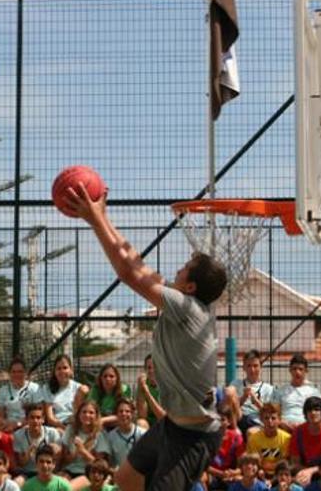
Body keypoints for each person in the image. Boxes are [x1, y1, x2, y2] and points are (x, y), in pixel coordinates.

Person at [66, 186, 229, 491]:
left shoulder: (187, 307)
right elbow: (135, 263)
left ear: (191, 286)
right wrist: (102, 216)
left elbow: (129, 272)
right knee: (126, 479)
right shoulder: (187, 304)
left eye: (183, 269)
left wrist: (94, 221)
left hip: (194, 437)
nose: (176, 270)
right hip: (174, 425)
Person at [60, 400, 110, 485]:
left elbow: (100, 465)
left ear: (96, 416)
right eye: (84, 412)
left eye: (91, 413)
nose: (87, 415)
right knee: (57, 486)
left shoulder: (100, 434)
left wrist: (83, 451)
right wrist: (75, 453)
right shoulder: (70, 429)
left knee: (68, 488)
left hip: (88, 472)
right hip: (69, 470)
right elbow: (65, 458)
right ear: (79, 414)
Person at [272, 355, 321, 434]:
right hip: (284, 427)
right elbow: (273, 412)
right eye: (294, 369)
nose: (297, 372)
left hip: (306, 426)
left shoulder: (314, 392)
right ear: (290, 370)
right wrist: (282, 423)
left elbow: (320, 413)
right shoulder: (280, 391)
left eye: (300, 369)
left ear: (306, 371)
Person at [229, 350, 276, 434]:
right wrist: (243, 398)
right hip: (237, 419)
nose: (252, 369)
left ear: (260, 367)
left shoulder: (268, 388)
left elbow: (270, 414)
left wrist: (256, 401)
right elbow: (230, 407)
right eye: (249, 366)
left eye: (255, 366)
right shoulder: (236, 384)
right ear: (244, 367)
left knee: (251, 432)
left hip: (256, 422)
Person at [13, 403, 62, 481]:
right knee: (17, 481)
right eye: (32, 418)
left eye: (38, 418)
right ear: (26, 419)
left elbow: (58, 460)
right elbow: (21, 463)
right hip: (27, 472)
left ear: (43, 419)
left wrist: (52, 450)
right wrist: (28, 452)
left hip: (48, 472)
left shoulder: (52, 433)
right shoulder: (18, 435)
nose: (35, 421)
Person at [0, 357, 41, 435]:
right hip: (9, 427)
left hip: (29, 426)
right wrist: (6, 425)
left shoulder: (34, 388)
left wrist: (18, 424)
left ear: (25, 373)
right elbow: (1, 417)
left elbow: (40, 414)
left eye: (20, 371)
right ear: (9, 373)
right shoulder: (3, 391)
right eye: (14, 372)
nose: (17, 374)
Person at [40, 355, 87, 431]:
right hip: (57, 426)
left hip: (75, 424)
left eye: (65, 368)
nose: (62, 371)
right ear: (54, 371)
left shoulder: (78, 388)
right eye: (59, 368)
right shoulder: (47, 388)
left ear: (71, 370)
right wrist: (64, 428)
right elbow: (50, 418)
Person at [245, 403, 290, 480]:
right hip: (259, 473)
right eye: (266, 418)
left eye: (273, 418)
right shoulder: (253, 439)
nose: (270, 421)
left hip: (280, 474)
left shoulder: (286, 438)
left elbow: (284, 463)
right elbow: (256, 462)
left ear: (279, 420)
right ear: (261, 420)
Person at [207, 403, 245, 490]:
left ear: (229, 422)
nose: (219, 423)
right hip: (213, 473)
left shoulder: (236, 437)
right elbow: (204, 465)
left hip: (229, 473)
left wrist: (234, 472)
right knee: (201, 477)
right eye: (217, 420)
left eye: (222, 420)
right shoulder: (208, 437)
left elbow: (242, 464)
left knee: (240, 479)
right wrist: (220, 473)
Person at [86, 364, 131, 430]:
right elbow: (90, 410)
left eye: (111, 376)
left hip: (118, 423)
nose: (108, 379)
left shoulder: (124, 390)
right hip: (99, 423)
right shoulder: (95, 390)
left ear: (117, 378)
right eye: (105, 376)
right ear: (101, 378)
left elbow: (125, 414)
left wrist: (103, 420)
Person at [107, 399, 145, 469]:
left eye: (127, 411)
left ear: (133, 414)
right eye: (120, 411)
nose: (124, 414)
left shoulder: (142, 434)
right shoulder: (110, 437)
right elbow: (111, 462)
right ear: (116, 414)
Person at [135, 354, 164, 429]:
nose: (152, 371)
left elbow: (162, 417)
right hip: (149, 423)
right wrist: (141, 389)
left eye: (155, 367)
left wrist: (148, 394)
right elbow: (142, 415)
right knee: (141, 423)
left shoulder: (167, 385)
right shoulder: (144, 384)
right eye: (149, 368)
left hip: (164, 422)